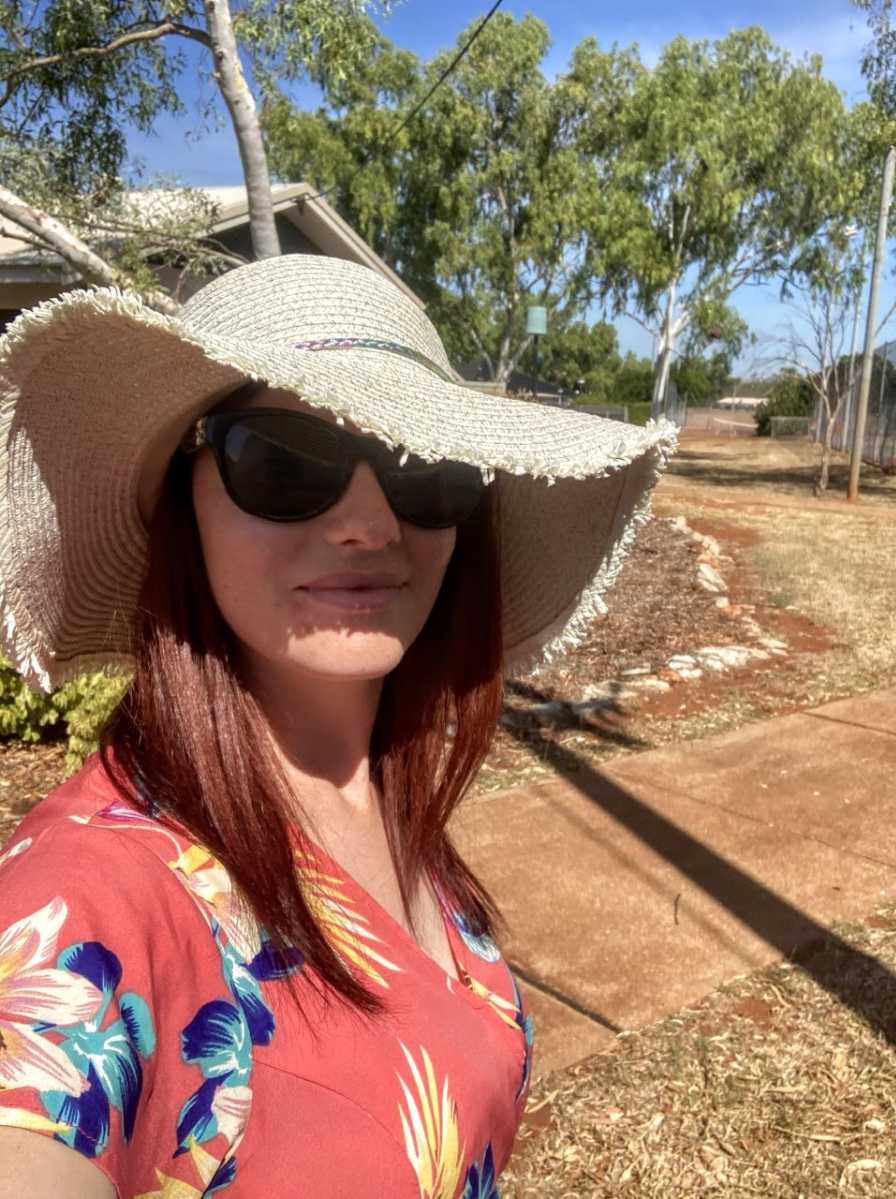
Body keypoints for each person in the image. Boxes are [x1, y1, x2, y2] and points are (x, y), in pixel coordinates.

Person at [0, 254, 676, 1198]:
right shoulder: (81, 898)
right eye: (283, 462)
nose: (369, 521)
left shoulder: (382, 787)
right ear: (179, 503)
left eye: (425, 467)